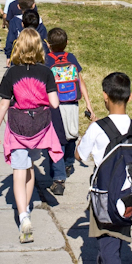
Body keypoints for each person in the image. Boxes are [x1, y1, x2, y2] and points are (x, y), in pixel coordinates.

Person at [75, 72, 132, 264]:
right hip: (130, 195)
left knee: (108, 244)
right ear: (130, 97)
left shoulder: (97, 127)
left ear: (104, 96)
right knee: (117, 239)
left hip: (104, 195)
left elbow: (81, 156)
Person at [0, 28, 62, 243]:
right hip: (39, 127)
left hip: (18, 127)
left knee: (19, 171)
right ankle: (28, 207)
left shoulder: (12, 73)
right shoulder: (46, 72)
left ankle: (23, 216)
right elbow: (54, 103)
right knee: (30, 166)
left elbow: (4, 103)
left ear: (19, 47)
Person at [45, 27, 96, 195]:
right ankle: (68, 163)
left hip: (55, 106)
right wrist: (88, 103)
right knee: (72, 134)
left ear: (48, 44)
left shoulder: (47, 60)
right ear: (66, 43)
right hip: (73, 103)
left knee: (56, 139)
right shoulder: (71, 58)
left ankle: (58, 179)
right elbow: (80, 81)